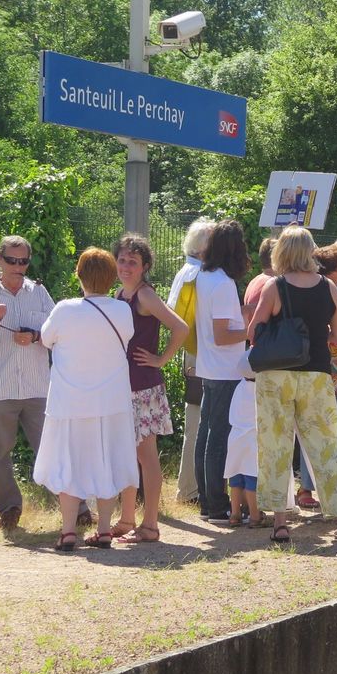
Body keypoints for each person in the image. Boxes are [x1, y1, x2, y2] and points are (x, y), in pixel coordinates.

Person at [248, 225, 337, 543]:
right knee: (325, 448)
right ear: (310, 252)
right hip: (317, 375)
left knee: (276, 448)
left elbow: (254, 330)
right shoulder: (328, 288)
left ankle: (280, 522)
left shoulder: (274, 287)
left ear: (281, 253)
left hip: (276, 377)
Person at [33, 248, 136, 551]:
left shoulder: (65, 309)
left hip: (70, 403)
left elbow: (45, 339)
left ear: (79, 275)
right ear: (111, 277)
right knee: (108, 462)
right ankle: (104, 530)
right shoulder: (122, 310)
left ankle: (67, 531)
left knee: (69, 463)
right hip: (111, 402)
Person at [0, 235, 58, 531]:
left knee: (52, 448)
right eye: (11, 260)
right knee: (0, 454)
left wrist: (34, 336)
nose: (18, 266)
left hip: (37, 388)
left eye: (23, 261)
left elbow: (59, 334)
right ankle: (9, 509)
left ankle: (76, 507)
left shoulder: (40, 292)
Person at [110, 234, 189, 543]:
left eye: (133, 261)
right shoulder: (119, 293)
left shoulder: (144, 295)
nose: (126, 266)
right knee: (127, 455)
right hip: (122, 387)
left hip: (143, 388)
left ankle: (151, 525)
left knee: (146, 457)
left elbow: (181, 328)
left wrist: (161, 359)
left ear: (144, 267)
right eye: (122, 260)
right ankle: (128, 518)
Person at [193, 220, 249, 524]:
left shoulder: (204, 276)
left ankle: (206, 500)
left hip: (209, 366)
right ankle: (216, 505)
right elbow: (223, 335)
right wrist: (251, 329)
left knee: (206, 434)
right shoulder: (225, 284)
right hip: (226, 369)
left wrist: (242, 316)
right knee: (219, 438)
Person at [166, 217, 215, 505]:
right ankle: (189, 490)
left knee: (196, 422)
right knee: (197, 423)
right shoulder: (196, 274)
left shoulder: (189, 271)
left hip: (194, 353)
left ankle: (190, 488)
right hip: (200, 354)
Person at [224, 353, 263, 529]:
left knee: (235, 476)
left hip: (235, 436)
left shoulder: (239, 387)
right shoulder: (260, 390)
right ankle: (255, 515)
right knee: (251, 476)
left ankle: (235, 514)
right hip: (252, 437)